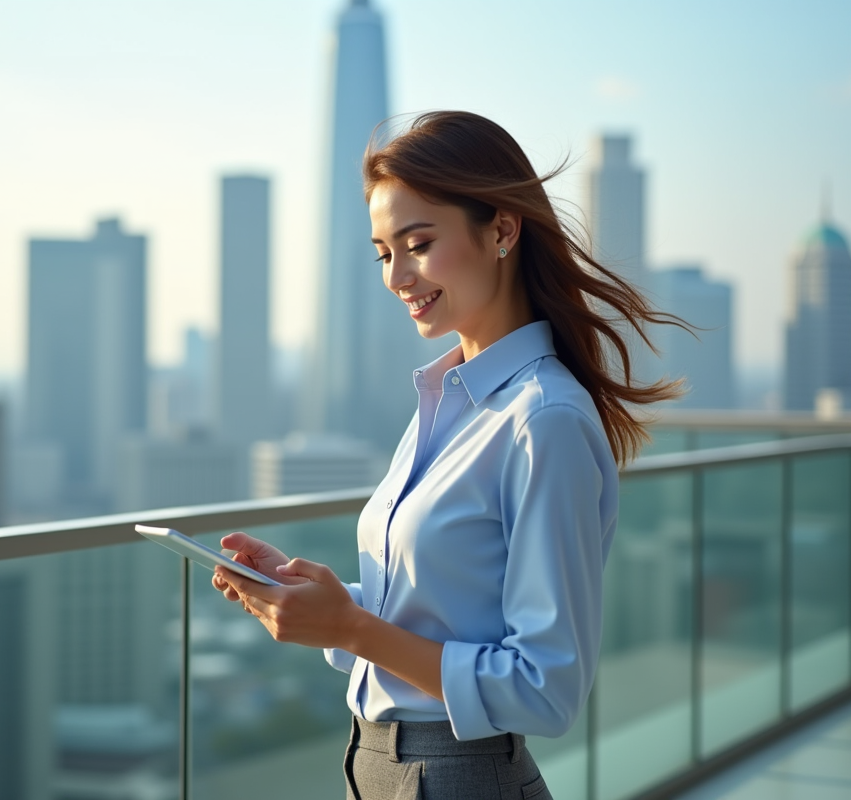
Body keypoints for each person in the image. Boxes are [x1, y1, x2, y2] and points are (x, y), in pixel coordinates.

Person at [212, 110, 685, 800]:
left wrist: (350, 627)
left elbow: (544, 687)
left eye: (418, 243)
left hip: (460, 777)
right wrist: (308, 594)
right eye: (383, 252)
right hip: (373, 766)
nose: (397, 275)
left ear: (500, 229)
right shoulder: (447, 399)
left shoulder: (542, 420)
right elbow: (429, 608)